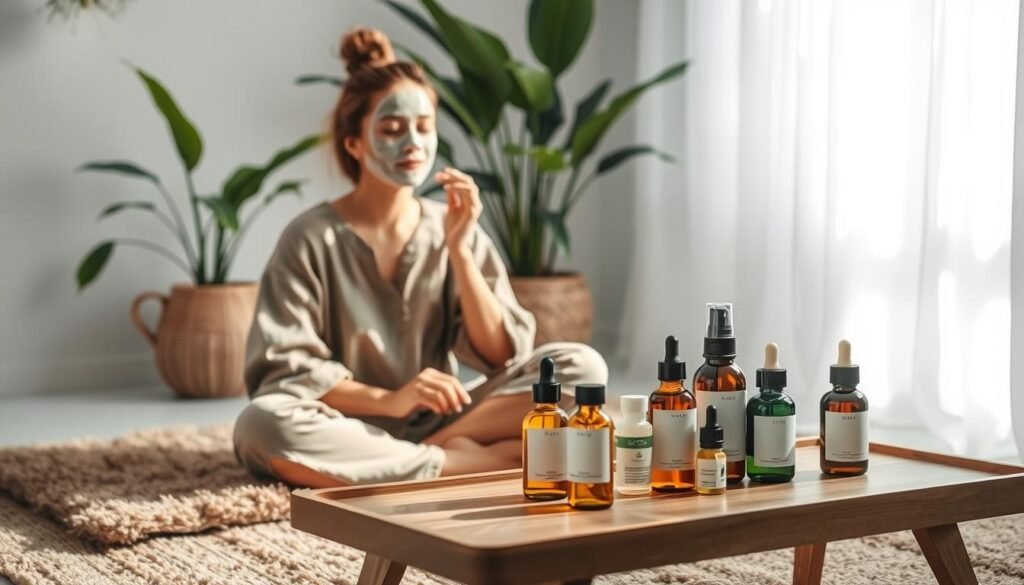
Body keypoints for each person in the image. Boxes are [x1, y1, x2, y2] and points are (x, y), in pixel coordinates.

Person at [232, 27, 608, 488]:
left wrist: (460, 251)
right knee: (261, 425)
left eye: (424, 127)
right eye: (392, 129)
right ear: (354, 142)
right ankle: (463, 465)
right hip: (345, 422)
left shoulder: (452, 225)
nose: (412, 142)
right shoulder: (310, 238)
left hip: (445, 419)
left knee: (581, 367)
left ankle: (426, 455)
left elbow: (504, 355)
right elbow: (284, 372)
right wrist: (392, 400)